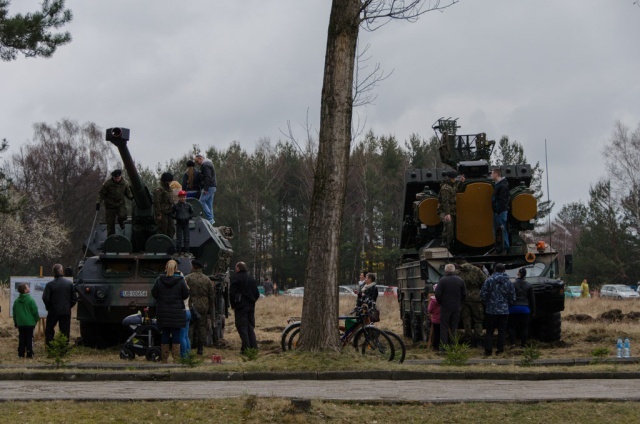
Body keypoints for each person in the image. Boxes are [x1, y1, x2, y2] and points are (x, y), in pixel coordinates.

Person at [151, 259, 189, 363]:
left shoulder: (159, 280)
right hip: (177, 312)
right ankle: (176, 359)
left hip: (163, 312)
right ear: (176, 268)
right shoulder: (180, 280)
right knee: (176, 335)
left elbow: (154, 293)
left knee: (165, 334)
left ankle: (164, 358)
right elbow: (186, 294)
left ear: (166, 268)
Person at [480, 263, 515, 356]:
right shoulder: (509, 282)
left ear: (494, 270)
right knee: (502, 331)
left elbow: (483, 294)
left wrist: (487, 303)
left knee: (490, 331)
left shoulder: (489, 280)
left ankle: (488, 350)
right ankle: (500, 349)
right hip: (504, 310)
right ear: (504, 270)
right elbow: (512, 296)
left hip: (491, 310)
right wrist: (507, 304)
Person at [42, 263, 77, 346]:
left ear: (54, 272)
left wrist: (49, 307)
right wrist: (68, 306)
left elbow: (45, 298)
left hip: (53, 311)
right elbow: (74, 298)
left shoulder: (50, 284)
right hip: (65, 311)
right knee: (64, 331)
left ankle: (51, 347)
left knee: (49, 330)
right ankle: (63, 349)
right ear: (62, 271)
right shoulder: (69, 284)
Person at [229, 261, 259, 354]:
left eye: (236, 267)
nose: (235, 269)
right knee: (250, 327)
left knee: (242, 327)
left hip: (240, 307)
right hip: (250, 306)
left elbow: (232, 294)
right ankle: (254, 348)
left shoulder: (235, 278)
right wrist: (252, 301)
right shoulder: (251, 279)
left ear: (238, 268)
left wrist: (233, 305)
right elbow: (257, 294)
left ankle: (245, 349)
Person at [185, 260, 214, 355]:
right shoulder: (207, 279)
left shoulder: (187, 278)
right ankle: (200, 348)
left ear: (193, 267)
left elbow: (184, 293)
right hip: (203, 306)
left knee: (190, 326)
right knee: (202, 327)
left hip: (191, 306)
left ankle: (189, 347)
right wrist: (210, 308)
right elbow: (211, 296)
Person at [435, 263, 466, 350]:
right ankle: (454, 346)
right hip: (456, 307)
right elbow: (464, 294)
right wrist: (459, 302)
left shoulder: (442, 280)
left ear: (445, 271)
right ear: (454, 271)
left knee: (444, 327)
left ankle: (444, 347)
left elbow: (437, 293)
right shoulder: (460, 280)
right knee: (454, 327)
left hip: (445, 307)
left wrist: (441, 302)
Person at [456, 260, 487, 348]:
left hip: (463, 299)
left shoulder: (457, 272)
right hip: (476, 299)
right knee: (478, 320)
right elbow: (485, 281)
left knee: (466, 321)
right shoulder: (477, 270)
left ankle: (468, 341)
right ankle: (479, 341)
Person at [96, 169, 134, 236]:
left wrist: (132, 198)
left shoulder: (124, 183)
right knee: (110, 225)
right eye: (115, 178)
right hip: (110, 206)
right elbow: (101, 194)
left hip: (120, 204)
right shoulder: (108, 184)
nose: (117, 179)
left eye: (118, 178)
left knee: (123, 216)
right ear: (113, 177)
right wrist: (98, 202)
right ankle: (111, 239)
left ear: (120, 177)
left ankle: (121, 222)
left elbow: (128, 193)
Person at [508, 267, 536, 348]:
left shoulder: (512, 284)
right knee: (524, 328)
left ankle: (512, 344)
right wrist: (533, 310)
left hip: (513, 308)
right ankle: (523, 345)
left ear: (518, 274)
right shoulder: (529, 285)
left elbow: (509, 296)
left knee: (512, 327)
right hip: (525, 309)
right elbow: (532, 299)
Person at [437, 170, 465, 248]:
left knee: (451, 229)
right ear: (451, 178)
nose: (455, 180)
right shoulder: (445, 188)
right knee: (448, 225)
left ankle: (448, 244)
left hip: (451, 211)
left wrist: (461, 182)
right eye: (455, 178)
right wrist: (447, 213)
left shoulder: (451, 186)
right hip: (444, 211)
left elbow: (456, 189)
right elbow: (445, 202)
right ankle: (444, 244)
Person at [13, 283, 40, 358]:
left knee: (21, 338)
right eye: (27, 287)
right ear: (25, 290)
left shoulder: (16, 301)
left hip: (20, 323)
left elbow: (14, 313)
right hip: (30, 323)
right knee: (29, 338)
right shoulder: (31, 300)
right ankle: (29, 353)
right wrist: (36, 320)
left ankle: (21, 354)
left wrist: (16, 322)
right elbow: (35, 311)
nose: (29, 288)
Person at [194, 153, 217, 224]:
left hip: (209, 187)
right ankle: (211, 221)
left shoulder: (205, 165)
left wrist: (206, 188)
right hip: (213, 186)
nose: (197, 164)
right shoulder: (209, 164)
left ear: (200, 158)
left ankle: (210, 219)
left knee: (201, 201)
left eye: (197, 162)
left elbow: (208, 177)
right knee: (209, 204)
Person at [170, 190, 194, 255]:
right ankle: (179, 251)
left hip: (186, 223)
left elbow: (192, 213)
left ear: (185, 197)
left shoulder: (188, 205)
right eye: (181, 197)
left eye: (184, 197)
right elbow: (171, 213)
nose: (183, 198)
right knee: (179, 238)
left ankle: (186, 251)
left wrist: (189, 217)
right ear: (179, 197)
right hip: (179, 223)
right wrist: (176, 217)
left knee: (186, 238)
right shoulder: (176, 206)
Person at [491, 168, 509, 252]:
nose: (491, 175)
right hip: (498, 211)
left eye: (492, 174)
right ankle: (499, 247)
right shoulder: (499, 184)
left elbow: (503, 200)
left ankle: (505, 247)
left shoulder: (502, 185)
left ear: (496, 174)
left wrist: (498, 210)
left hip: (500, 212)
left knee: (502, 229)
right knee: (499, 230)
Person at [153, 172, 176, 238]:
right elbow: (156, 202)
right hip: (162, 214)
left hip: (169, 213)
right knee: (163, 231)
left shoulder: (169, 190)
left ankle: (170, 244)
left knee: (171, 230)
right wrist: (158, 214)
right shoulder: (159, 190)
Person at [427, 285, 441, 351]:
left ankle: (435, 346)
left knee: (436, 333)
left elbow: (430, 310)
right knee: (444, 332)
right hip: (444, 319)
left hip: (435, 320)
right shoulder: (444, 299)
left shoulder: (433, 301)